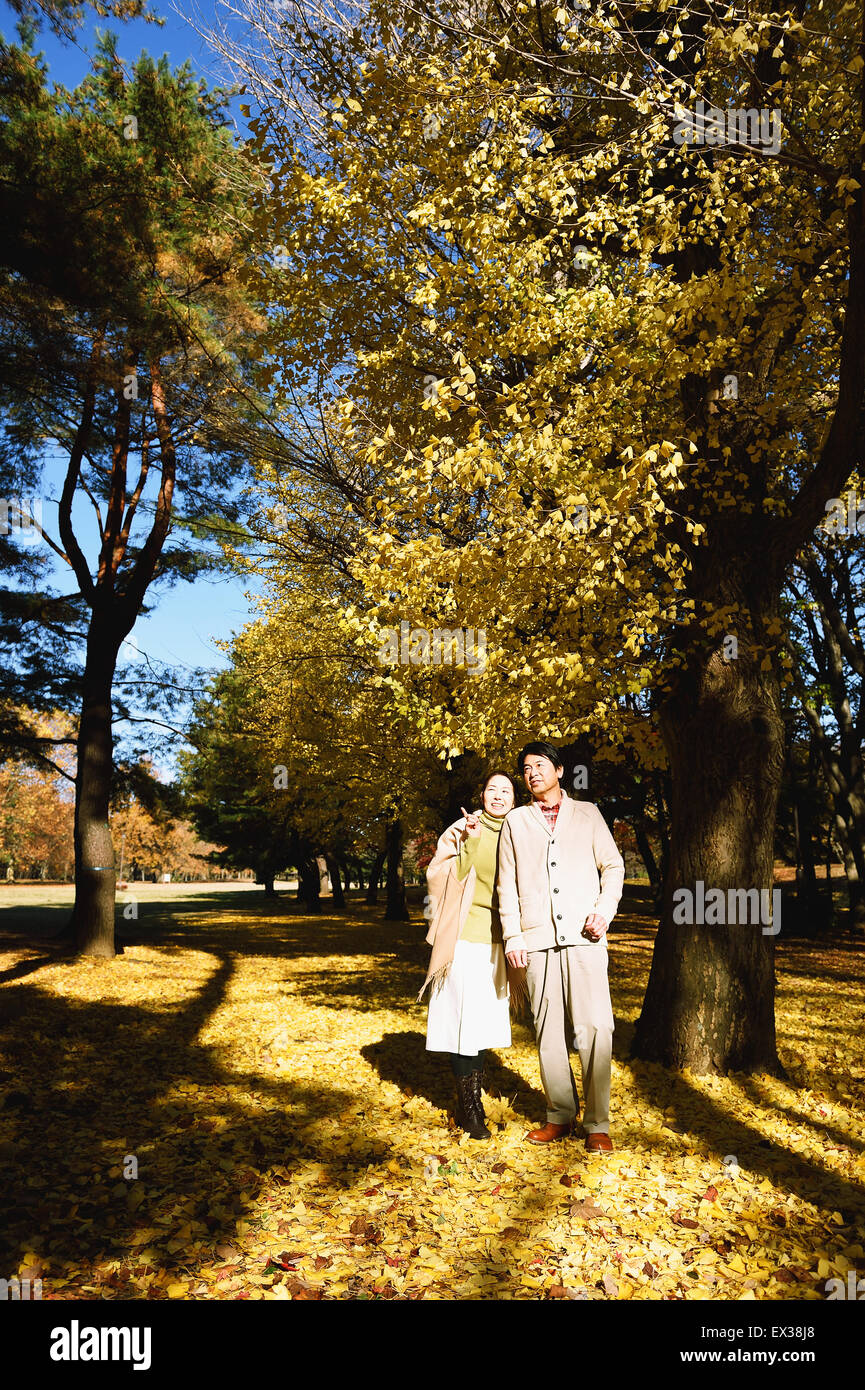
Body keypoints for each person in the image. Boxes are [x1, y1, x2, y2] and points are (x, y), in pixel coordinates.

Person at [497, 742, 624, 1151]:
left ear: (560, 770)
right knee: (548, 1034)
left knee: (596, 1028)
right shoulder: (515, 822)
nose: (532, 772)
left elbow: (614, 866)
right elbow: (506, 884)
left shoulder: (588, 814)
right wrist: (514, 935)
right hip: (536, 942)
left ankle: (598, 1123)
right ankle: (559, 1115)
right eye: (526, 768)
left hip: (586, 938)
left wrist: (603, 911)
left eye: (540, 765)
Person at [420, 771, 522, 1139]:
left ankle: (472, 1102)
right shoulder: (463, 827)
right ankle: (470, 1108)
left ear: (515, 797)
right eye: (492, 789)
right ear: (482, 795)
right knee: (464, 1024)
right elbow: (439, 876)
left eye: (506, 790)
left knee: (480, 1026)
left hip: (501, 941)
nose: (498, 796)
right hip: (464, 939)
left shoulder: (519, 829)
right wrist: (469, 844)